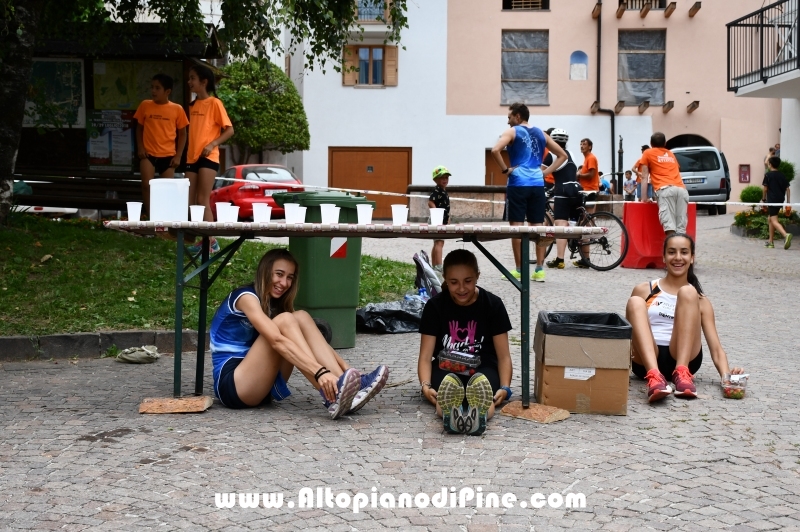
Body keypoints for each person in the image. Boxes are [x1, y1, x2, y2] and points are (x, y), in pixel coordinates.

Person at [210, 248, 389, 417]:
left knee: (301, 316)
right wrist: (319, 373)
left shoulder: (275, 304)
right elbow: (277, 341)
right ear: (265, 271)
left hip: (263, 383)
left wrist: (349, 370)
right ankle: (332, 394)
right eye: (279, 274)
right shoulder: (245, 298)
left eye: (290, 277)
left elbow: (315, 340)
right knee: (285, 320)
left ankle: (342, 383)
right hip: (234, 385)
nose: (284, 283)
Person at [625, 233, 745, 402]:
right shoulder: (645, 289)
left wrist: (728, 378)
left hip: (685, 358)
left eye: (684, 252)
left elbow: (716, 349)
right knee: (635, 302)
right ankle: (655, 377)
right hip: (645, 360)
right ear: (664, 257)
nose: (678, 258)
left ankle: (682, 373)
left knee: (689, 292)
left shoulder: (701, 301)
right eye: (672, 252)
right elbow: (629, 336)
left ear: (692, 258)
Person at [418, 249, 513, 435]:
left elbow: (504, 356)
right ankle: (450, 418)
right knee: (446, 396)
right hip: (445, 368)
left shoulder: (493, 305)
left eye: (468, 281)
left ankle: (480, 418)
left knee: (484, 396)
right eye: (453, 282)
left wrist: (505, 388)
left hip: (483, 369)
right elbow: (425, 356)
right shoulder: (435, 307)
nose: (461, 289)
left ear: (477, 276)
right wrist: (425, 386)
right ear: (445, 278)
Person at [491, 103, 567, 282]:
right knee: (537, 227)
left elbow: (495, 150)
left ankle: (519, 269)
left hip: (518, 184)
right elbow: (563, 155)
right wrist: (545, 172)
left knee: (516, 228)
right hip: (537, 184)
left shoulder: (512, 131)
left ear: (518, 117)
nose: (508, 121)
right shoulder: (542, 133)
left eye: (510, 117)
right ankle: (539, 269)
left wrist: (505, 170)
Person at [186, 64, 235, 254]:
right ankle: (201, 239)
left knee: (202, 198)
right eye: (189, 78)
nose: (189, 82)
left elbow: (229, 130)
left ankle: (211, 241)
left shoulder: (215, 103)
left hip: (209, 157)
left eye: (193, 78)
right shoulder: (191, 105)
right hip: (191, 157)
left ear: (203, 82)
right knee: (191, 200)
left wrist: (212, 144)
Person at [133, 73, 189, 218]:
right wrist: (140, 147)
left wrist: (178, 156)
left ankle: (164, 219)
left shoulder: (177, 109)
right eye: (152, 87)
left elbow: (183, 134)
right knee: (146, 184)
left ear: (167, 91)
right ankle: (151, 218)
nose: (153, 91)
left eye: (157, 88)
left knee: (166, 189)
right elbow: (139, 128)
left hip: (168, 156)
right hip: (148, 154)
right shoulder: (145, 105)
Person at [542, 128, 585, 270]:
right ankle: (587, 259)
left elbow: (540, 172)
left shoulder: (552, 155)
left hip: (563, 192)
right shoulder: (571, 153)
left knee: (561, 224)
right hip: (577, 189)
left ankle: (560, 259)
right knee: (581, 224)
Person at [640, 132, 688, 235]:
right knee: (681, 228)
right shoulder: (671, 154)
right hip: (681, 189)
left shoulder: (647, 153)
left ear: (651, 143)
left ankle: (672, 250)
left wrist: (644, 197)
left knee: (669, 227)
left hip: (665, 190)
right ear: (665, 143)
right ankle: (681, 250)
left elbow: (644, 176)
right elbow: (677, 173)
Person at [762, 156, 792, 249]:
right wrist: (788, 202)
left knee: (774, 220)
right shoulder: (782, 175)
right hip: (780, 200)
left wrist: (763, 199)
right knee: (770, 219)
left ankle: (785, 235)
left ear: (770, 164)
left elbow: (765, 188)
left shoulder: (768, 175)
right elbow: (787, 189)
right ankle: (771, 242)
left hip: (772, 200)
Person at [428, 166, 451, 278]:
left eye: (446, 177)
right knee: (439, 242)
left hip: (442, 219)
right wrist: (435, 213)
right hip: (437, 220)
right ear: (435, 180)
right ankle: (438, 266)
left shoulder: (443, 191)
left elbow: (445, 206)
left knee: (437, 242)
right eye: (442, 178)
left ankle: (434, 264)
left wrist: (447, 217)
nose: (445, 180)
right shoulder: (437, 190)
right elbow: (430, 202)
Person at [577, 138, 599, 214]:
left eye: (584, 144)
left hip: (590, 189)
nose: (582, 146)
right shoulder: (587, 158)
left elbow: (591, 175)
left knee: (589, 215)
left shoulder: (591, 158)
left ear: (590, 147)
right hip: (587, 189)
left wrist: (579, 175)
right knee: (586, 215)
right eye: (581, 144)